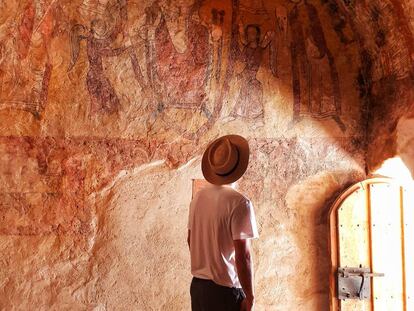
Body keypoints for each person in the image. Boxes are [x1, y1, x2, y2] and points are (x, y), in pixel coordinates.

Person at [187, 135, 259, 311]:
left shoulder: (198, 197)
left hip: (198, 288)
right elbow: (244, 256)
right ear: (239, 166)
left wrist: (207, 263)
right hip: (225, 292)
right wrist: (250, 297)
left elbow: (190, 240)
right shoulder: (240, 203)